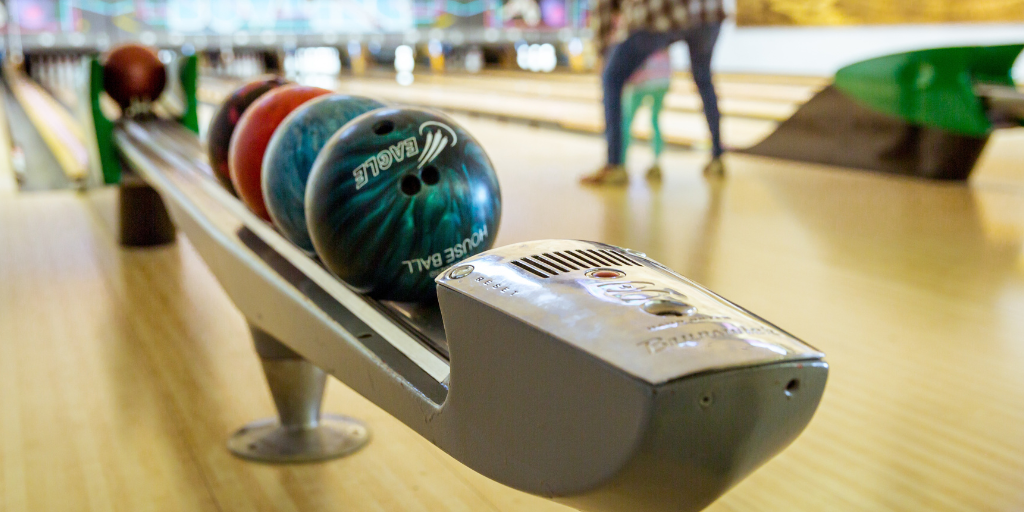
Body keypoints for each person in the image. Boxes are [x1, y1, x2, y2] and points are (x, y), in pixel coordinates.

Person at [581, 0, 726, 185]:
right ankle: (718, 158)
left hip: (660, 12)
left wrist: (602, 52)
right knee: (704, 79)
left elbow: (605, 7)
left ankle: (615, 165)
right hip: (708, 12)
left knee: (612, 77)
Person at [619, 49, 671, 182]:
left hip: (642, 79)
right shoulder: (664, 33)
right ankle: (656, 163)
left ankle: (620, 163)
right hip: (663, 78)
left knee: (627, 121)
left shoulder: (641, 32)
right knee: (655, 120)